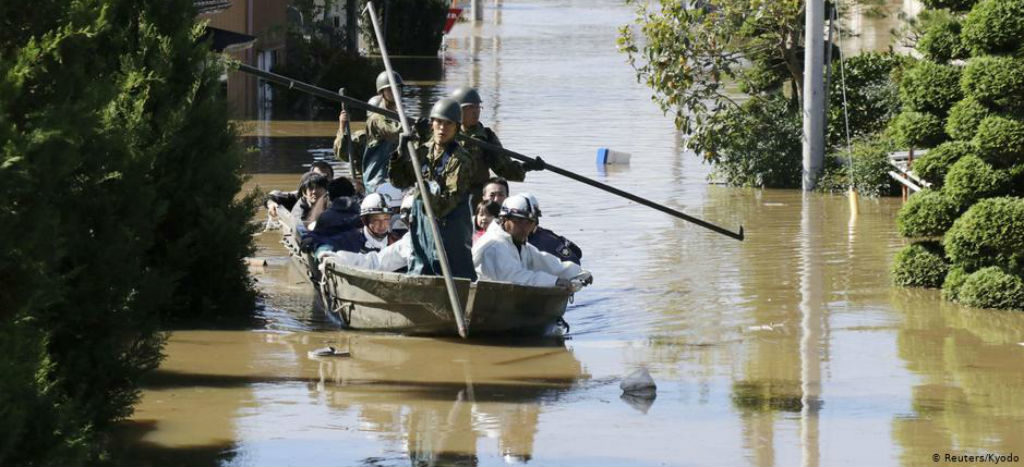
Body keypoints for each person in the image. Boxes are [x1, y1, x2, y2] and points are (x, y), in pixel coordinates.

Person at [388, 97, 477, 280]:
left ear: (456, 127)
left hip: (449, 229)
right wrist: (401, 153)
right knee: (420, 268)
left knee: (453, 274)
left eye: (448, 124)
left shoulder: (461, 160)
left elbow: (444, 206)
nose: (442, 128)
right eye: (439, 122)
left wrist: (422, 184)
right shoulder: (423, 151)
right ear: (432, 124)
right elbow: (399, 181)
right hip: (422, 224)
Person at [472, 194, 592, 289]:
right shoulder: (495, 245)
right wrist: (554, 281)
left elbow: (546, 262)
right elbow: (514, 278)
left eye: (529, 223)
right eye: (519, 222)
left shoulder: (517, 242)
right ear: (504, 219)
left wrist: (577, 273)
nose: (525, 228)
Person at [451, 86, 544, 206]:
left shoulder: (486, 137)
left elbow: (505, 169)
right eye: (470, 108)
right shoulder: (443, 133)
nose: (476, 112)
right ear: (458, 110)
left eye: (478, 107)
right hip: (448, 197)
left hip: (475, 199)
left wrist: (527, 166)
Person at [336, 71, 404, 193]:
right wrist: (342, 127)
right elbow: (343, 154)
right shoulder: (362, 137)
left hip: (394, 179)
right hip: (370, 183)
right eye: (390, 90)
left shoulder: (400, 131)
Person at [318, 195, 415, 272]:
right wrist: (335, 257)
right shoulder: (349, 239)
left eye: (386, 219)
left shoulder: (398, 240)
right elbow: (376, 262)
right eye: (376, 220)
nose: (382, 225)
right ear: (364, 221)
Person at [519, 192, 583, 265]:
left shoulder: (550, 241)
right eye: (515, 220)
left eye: (526, 220)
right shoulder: (505, 241)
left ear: (535, 219)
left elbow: (574, 262)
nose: (520, 224)